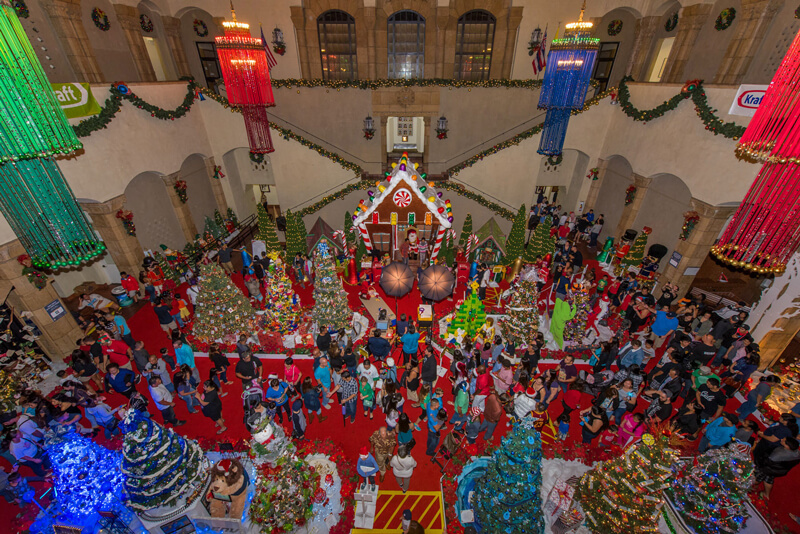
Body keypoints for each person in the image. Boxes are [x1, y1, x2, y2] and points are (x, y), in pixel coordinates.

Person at [754, 436, 800, 501]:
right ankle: (766, 495)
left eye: (783, 440)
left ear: (787, 446)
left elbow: (765, 463)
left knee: (757, 477)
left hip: (769, 468)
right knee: (769, 479)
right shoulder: (797, 453)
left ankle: (753, 485)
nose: (781, 439)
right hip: (780, 470)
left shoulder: (778, 454)